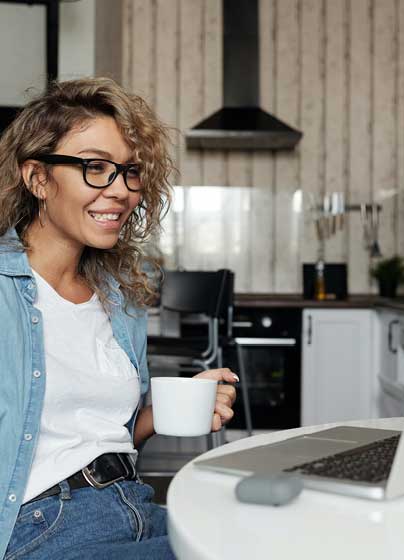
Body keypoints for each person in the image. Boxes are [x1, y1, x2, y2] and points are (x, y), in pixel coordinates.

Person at [0, 77, 238, 560]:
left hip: (134, 504)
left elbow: (95, 434)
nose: (121, 191)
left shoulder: (119, 298)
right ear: (37, 177)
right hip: (41, 529)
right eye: (95, 167)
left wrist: (168, 409)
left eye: (130, 172)